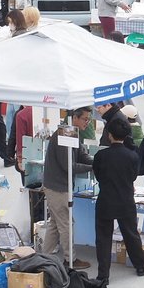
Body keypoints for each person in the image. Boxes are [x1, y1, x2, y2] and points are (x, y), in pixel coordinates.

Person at [93, 116, 144, 281]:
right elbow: (132, 177)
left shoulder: (101, 156)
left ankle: (103, 274)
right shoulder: (132, 156)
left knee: (103, 238)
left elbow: (98, 175)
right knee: (131, 234)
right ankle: (140, 265)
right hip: (125, 200)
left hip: (105, 200)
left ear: (109, 135)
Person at [42, 107, 94, 268]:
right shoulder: (63, 135)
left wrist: (96, 161)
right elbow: (69, 166)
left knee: (55, 223)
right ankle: (70, 259)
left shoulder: (71, 132)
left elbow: (81, 156)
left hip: (57, 185)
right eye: (85, 119)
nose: (88, 123)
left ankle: (44, 257)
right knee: (66, 224)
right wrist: (91, 167)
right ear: (75, 118)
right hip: (58, 187)